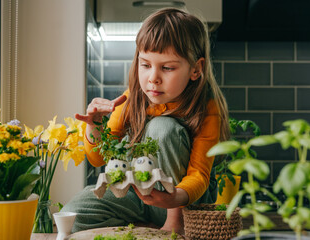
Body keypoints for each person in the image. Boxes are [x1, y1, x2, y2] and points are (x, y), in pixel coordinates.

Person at [62, 7, 229, 235]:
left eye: (167, 68)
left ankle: (174, 223)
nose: (153, 78)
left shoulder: (206, 108)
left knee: (162, 128)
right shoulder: (131, 99)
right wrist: (94, 126)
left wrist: (175, 200)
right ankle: (149, 227)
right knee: (75, 215)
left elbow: (199, 174)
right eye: (146, 65)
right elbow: (99, 158)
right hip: (138, 195)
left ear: (196, 69)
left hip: (185, 199)